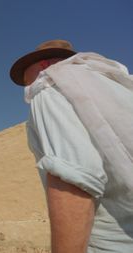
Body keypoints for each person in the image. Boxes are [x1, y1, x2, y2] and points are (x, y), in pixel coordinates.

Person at [10, 40, 133, 253]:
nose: (26, 83)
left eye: (25, 76)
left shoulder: (49, 88)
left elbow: (75, 178)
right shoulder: (117, 87)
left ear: (43, 65)